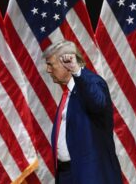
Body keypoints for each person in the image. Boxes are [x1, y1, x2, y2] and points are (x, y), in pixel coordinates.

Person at [43, 40, 123, 184]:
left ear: (66, 64)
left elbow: (98, 103)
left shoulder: (92, 82)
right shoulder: (68, 92)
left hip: (91, 176)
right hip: (67, 175)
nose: (48, 70)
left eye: (50, 64)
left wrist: (78, 72)